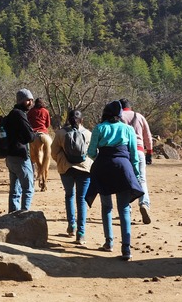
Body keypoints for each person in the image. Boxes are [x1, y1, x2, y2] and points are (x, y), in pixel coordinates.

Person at [85, 100, 143, 260]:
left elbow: (90, 152)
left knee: (106, 207)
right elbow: (134, 155)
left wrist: (102, 158)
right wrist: (135, 174)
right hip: (123, 168)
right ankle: (126, 249)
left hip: (103, 168)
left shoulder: (99, 128)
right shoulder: (128, 129)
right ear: (119, 115)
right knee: (124, 208)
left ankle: (109, 243)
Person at [51, 108, 92, 244]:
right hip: (84, 169)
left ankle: (71, 226)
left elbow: (54, 152)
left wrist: (62, 162)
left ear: (68, 120)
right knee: (81, 199)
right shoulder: (88, 133)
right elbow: (93, 152)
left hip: (66, 169)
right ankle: (81, 233)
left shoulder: (60, 133)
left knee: (69, 195)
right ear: (82, 120)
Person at [119, 99, 154, 224]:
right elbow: (147, 135)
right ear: (130, 107)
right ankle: (144, 203)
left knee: (125, 181)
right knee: (141, 179)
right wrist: (149, 152)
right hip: (139, 151)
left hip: (123, 152)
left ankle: (126, 209)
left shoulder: (118, 117)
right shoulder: (139, 116)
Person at [3, 89, 37, 212]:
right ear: (21, 100)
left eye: (32, 100)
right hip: (21, 157)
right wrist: (33, 135)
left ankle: (12, 217)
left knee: (15, 190)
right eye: (28, 100)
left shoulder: (11, 114)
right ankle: (24, 217)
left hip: (10, 157)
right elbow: (30, 137)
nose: (30, 102)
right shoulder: (20, 114)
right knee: (28, 188)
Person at [27, 97, 53, 192]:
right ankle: (44, 182)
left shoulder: (31, 111)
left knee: (37, 159)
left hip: (34, 134)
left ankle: (37, 179)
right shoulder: (45, 111)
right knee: (46, 159)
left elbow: (28, 123)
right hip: (44, 133)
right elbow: (47, 125)